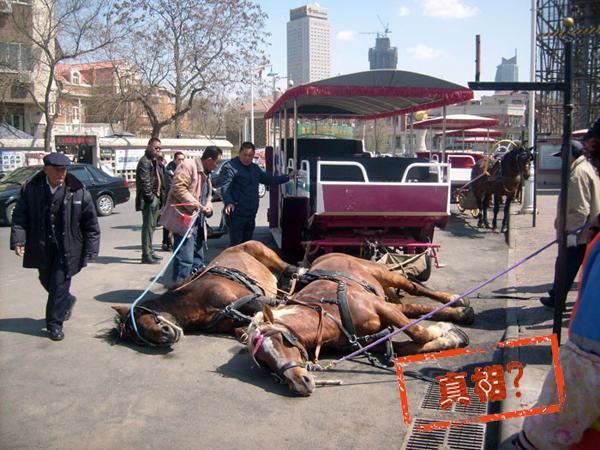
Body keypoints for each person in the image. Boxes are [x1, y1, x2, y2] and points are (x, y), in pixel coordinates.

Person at [516, 119, 600, 449]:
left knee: (563, 277)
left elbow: (585, 366)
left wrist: (534, 439)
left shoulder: (579, 173)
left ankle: (556, 297)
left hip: (583, 432)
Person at [10, 153, 100, 341]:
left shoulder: (78, 190)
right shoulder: (32, 189)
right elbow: (20, 217)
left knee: (59, 284)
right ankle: (66, 300)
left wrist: (91, 250)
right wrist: (18, 240)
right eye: (56, 169)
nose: (61, 173)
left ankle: (54, 324)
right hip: (41, 246)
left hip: (67, 248)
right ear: (45, 170)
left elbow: (90, 224)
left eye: (64, 169)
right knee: (47, 281)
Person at [540, 140, 600, 308]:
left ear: (571, 156)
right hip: (590, 230)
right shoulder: (588, 168)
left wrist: (572, 232)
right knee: (580, 268)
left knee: (564, 268)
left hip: (580, 233)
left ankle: (557, 299)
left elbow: (579, 207)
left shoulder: (577, 174)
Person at [159, 146, 222, 286]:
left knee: (197, 259)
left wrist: (208, 207)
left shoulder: (207, 173)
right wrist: (196, 205)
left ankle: (191, 289)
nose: (216, 166)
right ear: (209, 160)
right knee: (185, 259)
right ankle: (180, 292)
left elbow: (208, 197)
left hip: (198, 222)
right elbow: (178, 188)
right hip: (185, 221)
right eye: (216, 162)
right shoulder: (187, 166)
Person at [222, 142, 297, 246]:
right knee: (236, 247)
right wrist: (229, 202)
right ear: (239, 153)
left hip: (251, 213)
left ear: (253, 155)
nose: (247, 158)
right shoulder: (231, 168)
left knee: (248, 245)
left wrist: (287, 177)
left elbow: (268, 180)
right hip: (237, 214)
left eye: (250, 156)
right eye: (244, 155)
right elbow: (226, 188)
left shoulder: (255, 169)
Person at [136, 138, 165, 264]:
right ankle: (146, 254)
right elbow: (144, 182)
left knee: (152, 227)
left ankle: (150, 251)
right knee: (147, 227)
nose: (157, 150)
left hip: (156, 197)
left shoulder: (153, 161)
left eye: (159, 148)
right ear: (149, 147)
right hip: (150, 199)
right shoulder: (145, 161)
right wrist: (150, 197)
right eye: (155, 148)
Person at [162, 151, 186, 251]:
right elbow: (170, 187)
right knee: (168, 222)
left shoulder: (184, 170)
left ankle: (176, 242)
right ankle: (166, 242)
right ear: (174, 160)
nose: (181, 161)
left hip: (181, 201)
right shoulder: (169, 172)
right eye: (179, 159)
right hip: (171, 199)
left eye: (182, 159)